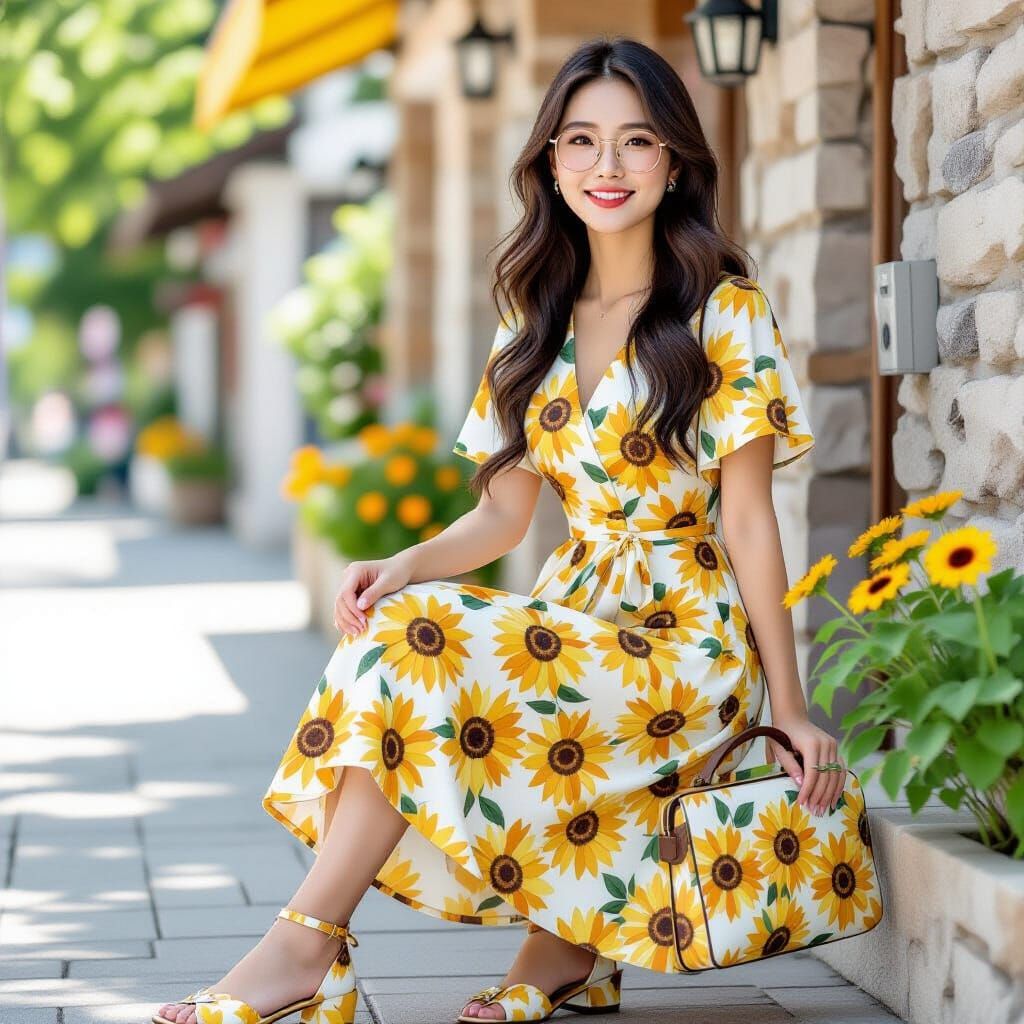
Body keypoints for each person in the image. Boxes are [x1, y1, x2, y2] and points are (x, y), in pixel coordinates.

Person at [154, 34, 848, 1024]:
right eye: (581, 140)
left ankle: (309, 952)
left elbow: (747, 515)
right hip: (576, 617)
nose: (607, 165)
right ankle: (534, 952)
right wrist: (398, 564)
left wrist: (792, 704)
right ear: (550, 163)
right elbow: (503, 513)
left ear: (674, 162)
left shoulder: (723, 309)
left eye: (636, 140)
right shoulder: (533, 315)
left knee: (421, 645)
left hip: (687, 642)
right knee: (402, 633)